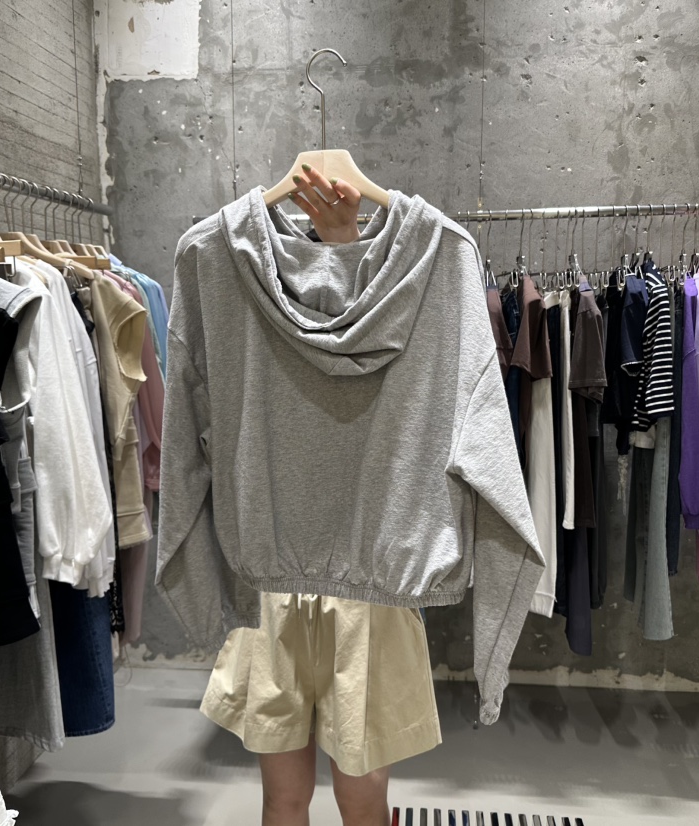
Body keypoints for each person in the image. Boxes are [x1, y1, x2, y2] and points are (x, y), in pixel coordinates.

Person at [199, 166, 441, 826]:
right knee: (357, 800)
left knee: (293, 798)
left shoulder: (238, 275)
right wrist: (345, 238)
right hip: (355, 573)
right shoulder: (410, 284)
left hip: (286, 571)